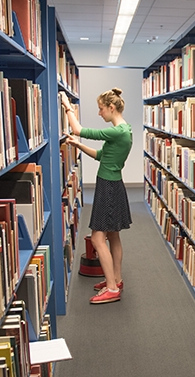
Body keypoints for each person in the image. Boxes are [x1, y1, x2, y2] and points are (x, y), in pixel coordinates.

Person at [60, 88, 133, 304]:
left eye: (101, 109)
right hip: (113, 183)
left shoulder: (117, 131)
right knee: (113, 235)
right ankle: (116, 280)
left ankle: (111, 288)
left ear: (111, 108)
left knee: (97, 237)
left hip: (108, 186)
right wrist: (78, 145)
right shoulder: (124, 130)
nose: (99, 113)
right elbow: (102, 155)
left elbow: (78, 128)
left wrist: (67, 105)